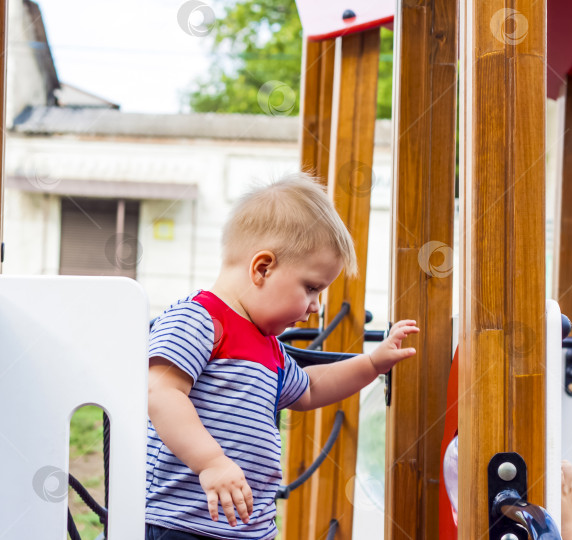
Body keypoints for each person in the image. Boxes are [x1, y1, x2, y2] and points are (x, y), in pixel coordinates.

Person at [144, 174, 420, 540]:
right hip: (185, 524)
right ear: (263, 268)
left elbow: (309, 390)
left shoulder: (267, 347)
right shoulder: (200, 318)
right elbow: (161, 393)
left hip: (248, 529)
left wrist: (371, 364)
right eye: (311, 288)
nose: (314, 307)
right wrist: (210, 462)